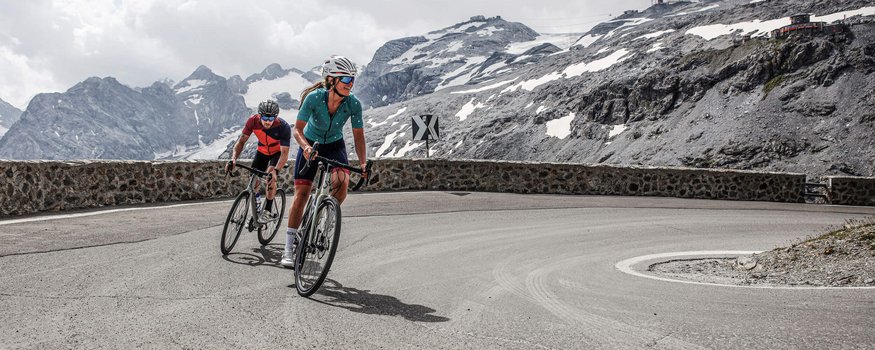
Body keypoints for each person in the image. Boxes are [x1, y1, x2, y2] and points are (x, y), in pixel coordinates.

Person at [280, 55, 368, 268]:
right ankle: (288, 249)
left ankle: (323, 218)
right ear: (331, 80)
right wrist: (306, 147)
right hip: (310, 142)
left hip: (335, 145)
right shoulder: (314, 98)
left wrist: (364, 163)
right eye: (346, 80)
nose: (350, 85)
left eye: (352, 80)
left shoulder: (353, 104)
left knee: (342, 183)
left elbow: (358, 136)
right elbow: (297, 130)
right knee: (301, 194)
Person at [225, 99, 291, 224]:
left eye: (271, 118)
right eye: (265, 117)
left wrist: (276, 171)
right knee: (253, 180)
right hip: (262, 152)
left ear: (276, 117)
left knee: (270, 177)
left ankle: (267, 211)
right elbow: (241, 142)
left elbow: (284, 153)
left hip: (276, 154)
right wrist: (233, 159)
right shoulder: (252, 121)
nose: (267, 121)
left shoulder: (283, 127)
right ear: (259, 115)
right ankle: (257, 203)